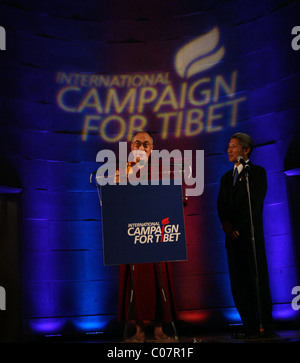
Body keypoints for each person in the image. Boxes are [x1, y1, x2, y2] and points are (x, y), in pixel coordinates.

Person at [117, 131, 178, 342]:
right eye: (137, 143)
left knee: (157, 279)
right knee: (135, 283)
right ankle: (138, 331)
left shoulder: (162, 172)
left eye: (146, 144)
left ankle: (160, 330)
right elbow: (114, 203)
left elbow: (173, 201)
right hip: (131, 235)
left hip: (155, 235)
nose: (141, 147)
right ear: (130, 147)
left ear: (152, 149)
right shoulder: (120, 172)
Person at [217, 132, 273, 338]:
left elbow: (255, 204)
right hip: (232, 238)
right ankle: (248, 323)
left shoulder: (257, 173)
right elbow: (220, 206)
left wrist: (240, 226)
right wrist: (229, 227)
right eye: (229, 146)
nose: (229, 150)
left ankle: (264, 324)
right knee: (238, 282)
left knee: (257, 279)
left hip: (250, 236)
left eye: (234, 146)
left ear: (246, 150)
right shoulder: (225, 178)